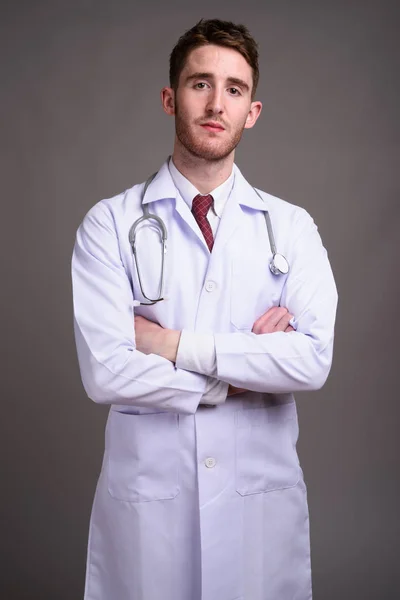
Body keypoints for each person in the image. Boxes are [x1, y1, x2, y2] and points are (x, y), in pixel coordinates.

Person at [71, 18, 338, 600]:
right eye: (200, 84)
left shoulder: (290, 229)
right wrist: (238, 373)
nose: (217, 103)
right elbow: (105, 371)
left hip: (256, 507)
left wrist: (167, 344)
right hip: (152, 509)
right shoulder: (110, 224)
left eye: (235, 89)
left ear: (253, 111)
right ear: (170, 98)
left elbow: (312, 359)